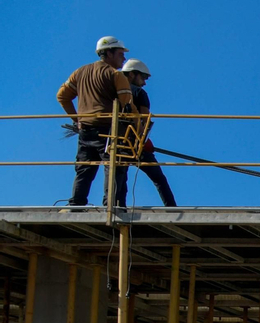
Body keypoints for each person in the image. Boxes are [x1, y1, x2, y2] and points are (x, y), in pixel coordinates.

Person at [56, 36, 134, 207]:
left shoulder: (80, 72)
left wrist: (77, 120)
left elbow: (62, 96)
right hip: (108, 130)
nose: (124, 58)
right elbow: (127, 106)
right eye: (120, 54)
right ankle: (110, 206)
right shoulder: (116, 75)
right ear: (109, 53)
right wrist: (139, 128)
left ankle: (76, 205)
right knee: (114, 167)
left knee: (84, 169)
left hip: (85, 130)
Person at [119, 59, 177, 207]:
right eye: (143, 78)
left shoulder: (114, 91)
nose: (144, 82)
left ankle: (119, 207)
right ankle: (172, 208)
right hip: (135, 142)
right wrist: (144, 140)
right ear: (132, 74)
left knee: (119, 176)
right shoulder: (139, 93)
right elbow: (144, 120)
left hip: (117, 141)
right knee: (159, 178)